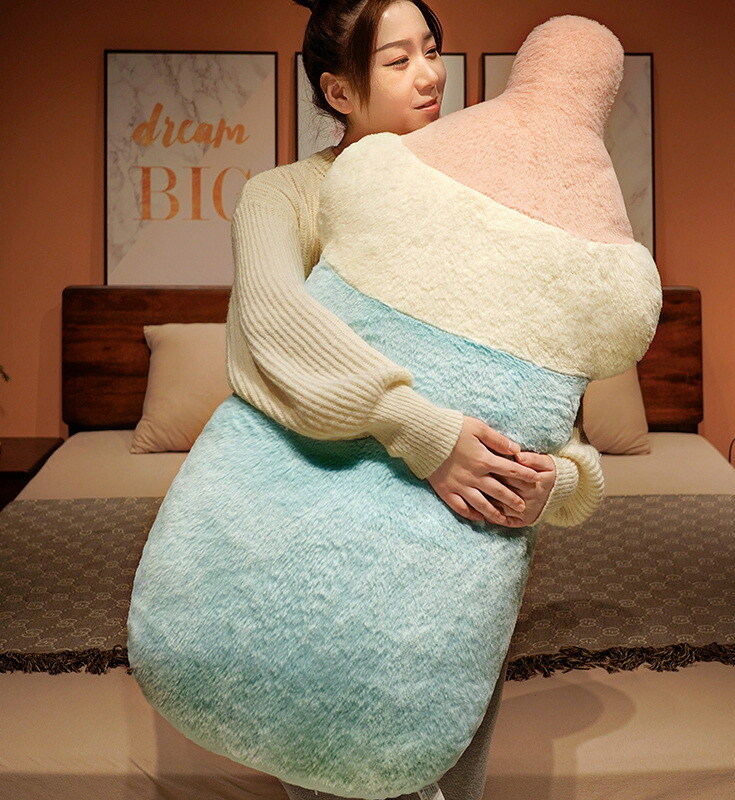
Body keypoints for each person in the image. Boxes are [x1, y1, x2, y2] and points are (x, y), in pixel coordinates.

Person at [224, 1, 606, 797]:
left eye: (432, 51)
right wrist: (422, 429)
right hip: (323, 545)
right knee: (346, 772)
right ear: (338, 90)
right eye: (398, 61)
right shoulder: (283, 196)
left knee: (449, 779)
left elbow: (527, 366)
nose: (430, 75)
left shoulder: (476, 194)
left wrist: (558, 481)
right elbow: (271, 327)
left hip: (463, 550)